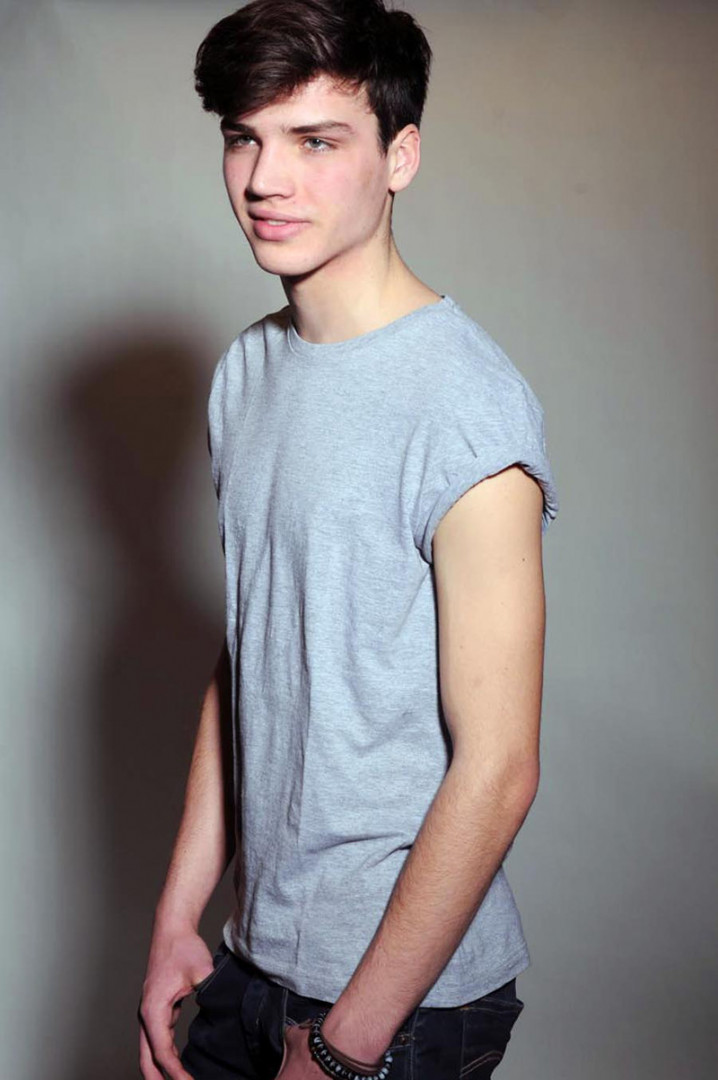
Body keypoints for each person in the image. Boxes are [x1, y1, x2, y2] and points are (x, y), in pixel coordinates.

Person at [137, 1, 560, 1078]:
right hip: (253, 960)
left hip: (397, 1006)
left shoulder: (466, 407)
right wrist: (180, 914)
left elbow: (500, 767)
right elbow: (250, 654)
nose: (265, 179)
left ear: (399, 156)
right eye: (244, 138)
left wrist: (341, 1047)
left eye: (316, 141)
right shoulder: (247, 372)